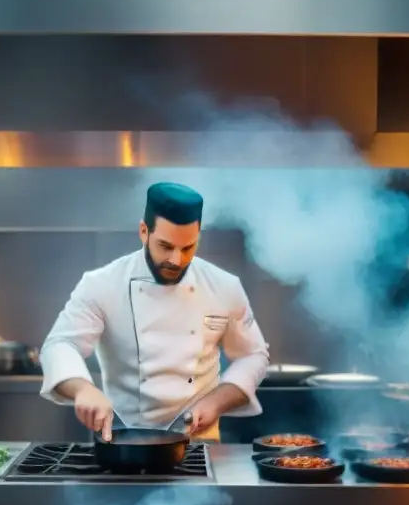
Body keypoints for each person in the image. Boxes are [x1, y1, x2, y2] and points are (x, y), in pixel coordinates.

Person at [39, 182, 269, 442]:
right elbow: (60, 344)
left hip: (198, 441)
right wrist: (82, 389)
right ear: (143, 231)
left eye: (188, 248)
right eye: (165, 246)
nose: (176, 260)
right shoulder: (102, 283)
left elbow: (253, 355)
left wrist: (217, 401)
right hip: (122, 439)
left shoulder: (224, 286)